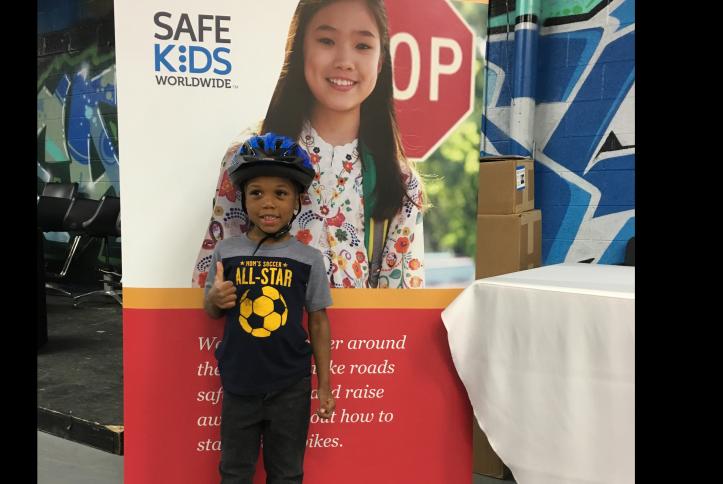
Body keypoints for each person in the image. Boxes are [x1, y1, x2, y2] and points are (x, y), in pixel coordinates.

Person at [193, 0, 425, 289]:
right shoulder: (248, 157)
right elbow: (211, 280)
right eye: (327, 40)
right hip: (264, 332)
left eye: (362, 45)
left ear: (380, 61)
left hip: (361, 337)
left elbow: (400, 310)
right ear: (300, 49)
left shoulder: (400, 181)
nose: (344, 60)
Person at [204, 133, 336, 483]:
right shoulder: (226, 253)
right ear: (244, 199)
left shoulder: (309, 259)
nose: (267, 204)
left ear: (296, 201)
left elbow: (319, 323)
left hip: (290, 387)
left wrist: (324, 383)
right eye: (256, 193)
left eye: (280, 193)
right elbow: (212, 309)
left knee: (287, 472)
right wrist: (215, 300)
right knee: (234, 471)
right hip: (239, 384)